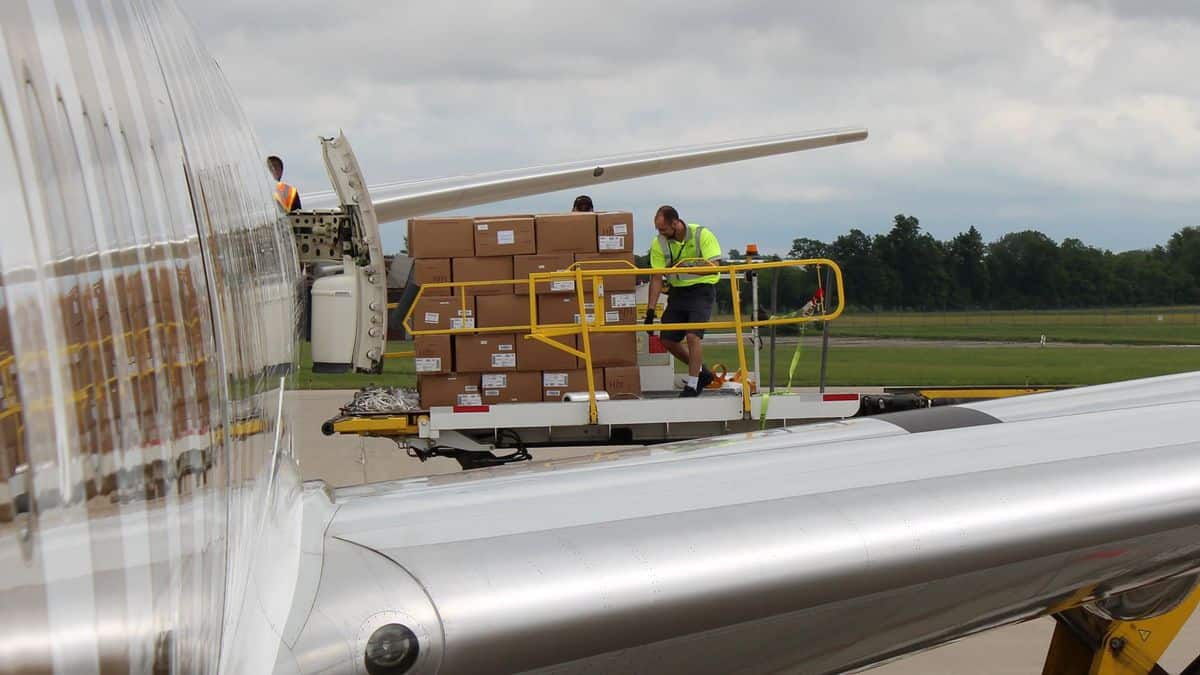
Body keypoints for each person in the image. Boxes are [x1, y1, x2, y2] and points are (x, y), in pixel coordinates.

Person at [644, 205, 722, 397]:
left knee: (692, 336)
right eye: (658, 229)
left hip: (702, 290)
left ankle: (693, 384)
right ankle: (703, 373)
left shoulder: (701, 234)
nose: (660, 233)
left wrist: (685, 267)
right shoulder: (659, 243)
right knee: (668, 339)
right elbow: (656, 277)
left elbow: (715, 267)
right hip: (678, 293)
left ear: (676, 223)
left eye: (663, 229)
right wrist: (650, 311)